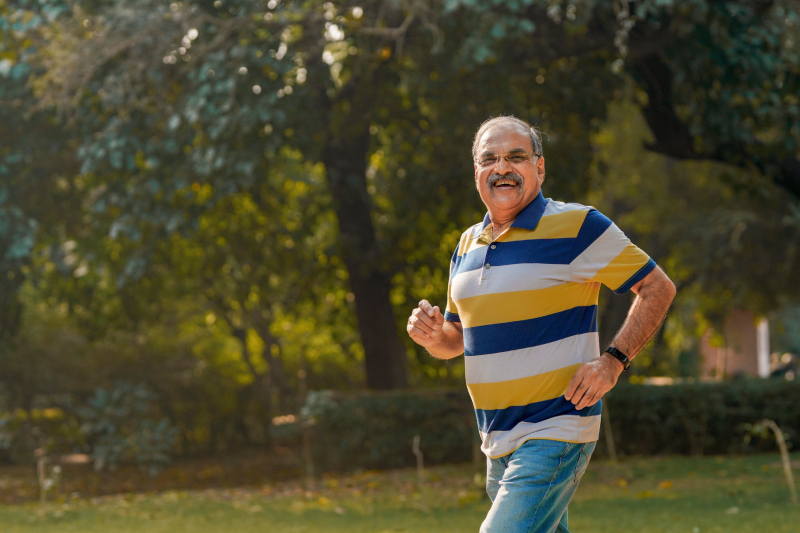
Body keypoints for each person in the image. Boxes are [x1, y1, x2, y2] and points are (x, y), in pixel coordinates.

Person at [406, 116, 676, 533]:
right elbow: (455, 340)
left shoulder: (578, 226)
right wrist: (431, 336)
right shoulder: (466, 244)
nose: (502, 168)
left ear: (540, 167)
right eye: (489, 159)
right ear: (476, 170)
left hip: (557, 427)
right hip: (497, 440)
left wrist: (613, 361)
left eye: (516, 157)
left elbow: (657, 287)